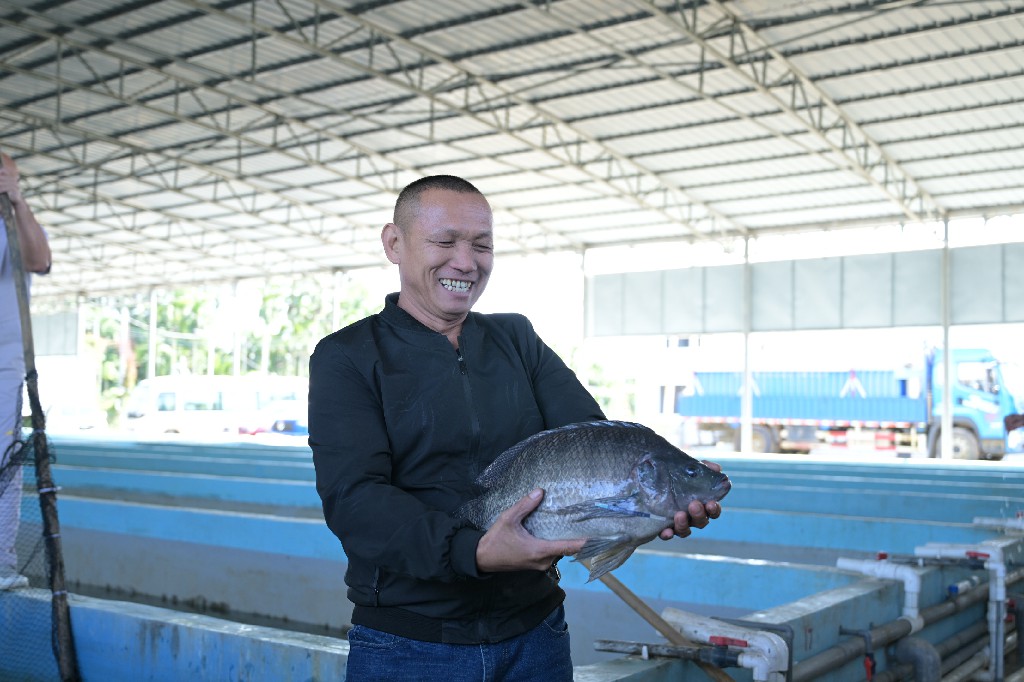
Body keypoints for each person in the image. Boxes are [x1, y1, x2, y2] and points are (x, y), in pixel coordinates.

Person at [308, 174, 722, 681]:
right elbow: (354, 498)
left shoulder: (516, 338)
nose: (466, 262)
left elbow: (591, 438)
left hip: (536, 635)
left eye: (482, 246)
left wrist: (647, 504)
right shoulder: (349, 357)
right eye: (445, 241)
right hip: (411, 644)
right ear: (394, 243)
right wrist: (474, 550)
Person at [0, 151, 50, 590]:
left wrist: (16, 200)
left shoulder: (17, 226)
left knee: (4, 457)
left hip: (4, 361)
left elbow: (39, 261)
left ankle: (1, 561)